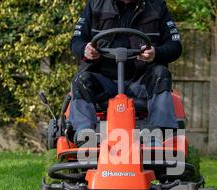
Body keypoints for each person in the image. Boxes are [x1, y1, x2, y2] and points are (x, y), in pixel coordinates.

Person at [68, 0, 182, 145]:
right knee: (81, 80)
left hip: (141, 81)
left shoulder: (157, 6)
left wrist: (156, 53)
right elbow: (76, 40)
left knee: (161, 73)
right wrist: (85, 50)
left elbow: (175, 45)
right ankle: (85, 137)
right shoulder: (95, 4)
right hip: (104, 81)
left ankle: (157, 137)